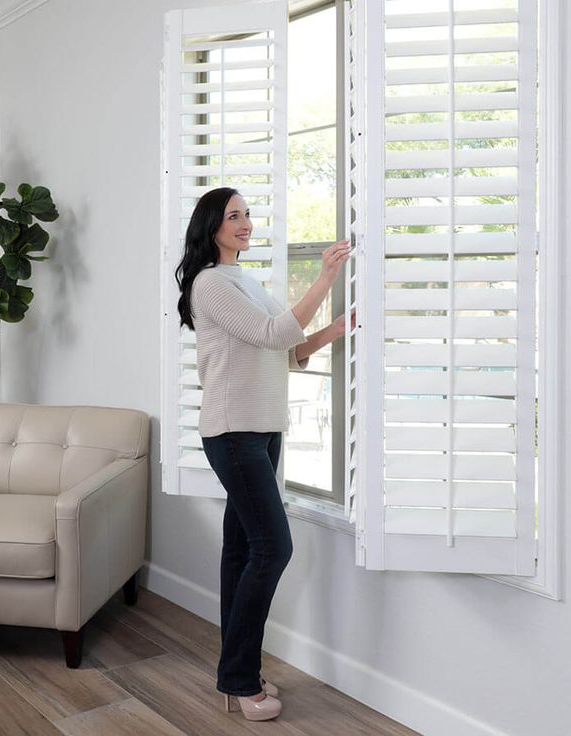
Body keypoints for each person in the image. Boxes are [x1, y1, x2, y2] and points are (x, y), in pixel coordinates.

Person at [174, 187, 354, 722]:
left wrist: (338, 329)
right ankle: (239, 676)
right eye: (234, 216)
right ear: (212, 228)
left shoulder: (245, 281)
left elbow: (291, 349)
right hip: (233, 433)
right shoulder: (210, 284)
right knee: (273, 549)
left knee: (241, 551)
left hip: (262, 430)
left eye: (248, 214)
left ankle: (236, 673)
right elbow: (276, 331)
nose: (246, 223)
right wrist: (325, 276)